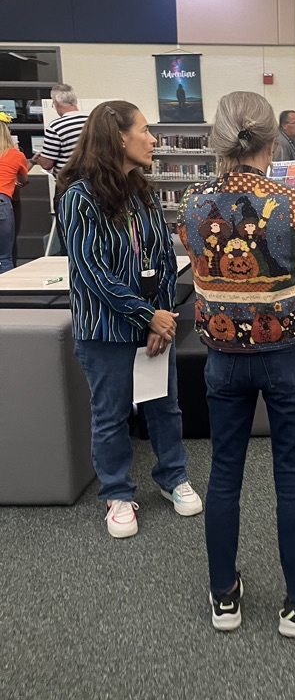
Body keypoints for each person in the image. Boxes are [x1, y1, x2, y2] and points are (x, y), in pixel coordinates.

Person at [177, 91, 295, 636]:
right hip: (288, 354)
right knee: (291, 476)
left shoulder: (194, 205)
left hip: (222, 354)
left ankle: (224, 597)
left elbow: (200, 262)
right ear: (274, 141)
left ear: (219, 140)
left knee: (224, 473)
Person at [57, 101, 203, 539]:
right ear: (119, 136)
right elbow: (91, 271)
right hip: (105, 329)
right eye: (145, 130)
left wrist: (163, 316)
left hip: (153, 322)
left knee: (165, 407)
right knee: (110, 413)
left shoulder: (142, 191)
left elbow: (161, 257)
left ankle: (173, 478)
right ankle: (117, 493)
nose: (153, 139)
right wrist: (148, 316)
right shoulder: (79, 197)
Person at [33, 84, 88, 255]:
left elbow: (48, 163)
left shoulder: (56, 126)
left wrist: (39, 158)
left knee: (69, 234)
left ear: (56, 101)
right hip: (96, 183)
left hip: (68, 186)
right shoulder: (92, 122)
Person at [0, 117, 28, 273]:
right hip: (2, 202)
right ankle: (5, 295)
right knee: (4, 258)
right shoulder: (16, 155)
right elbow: (22, 180)